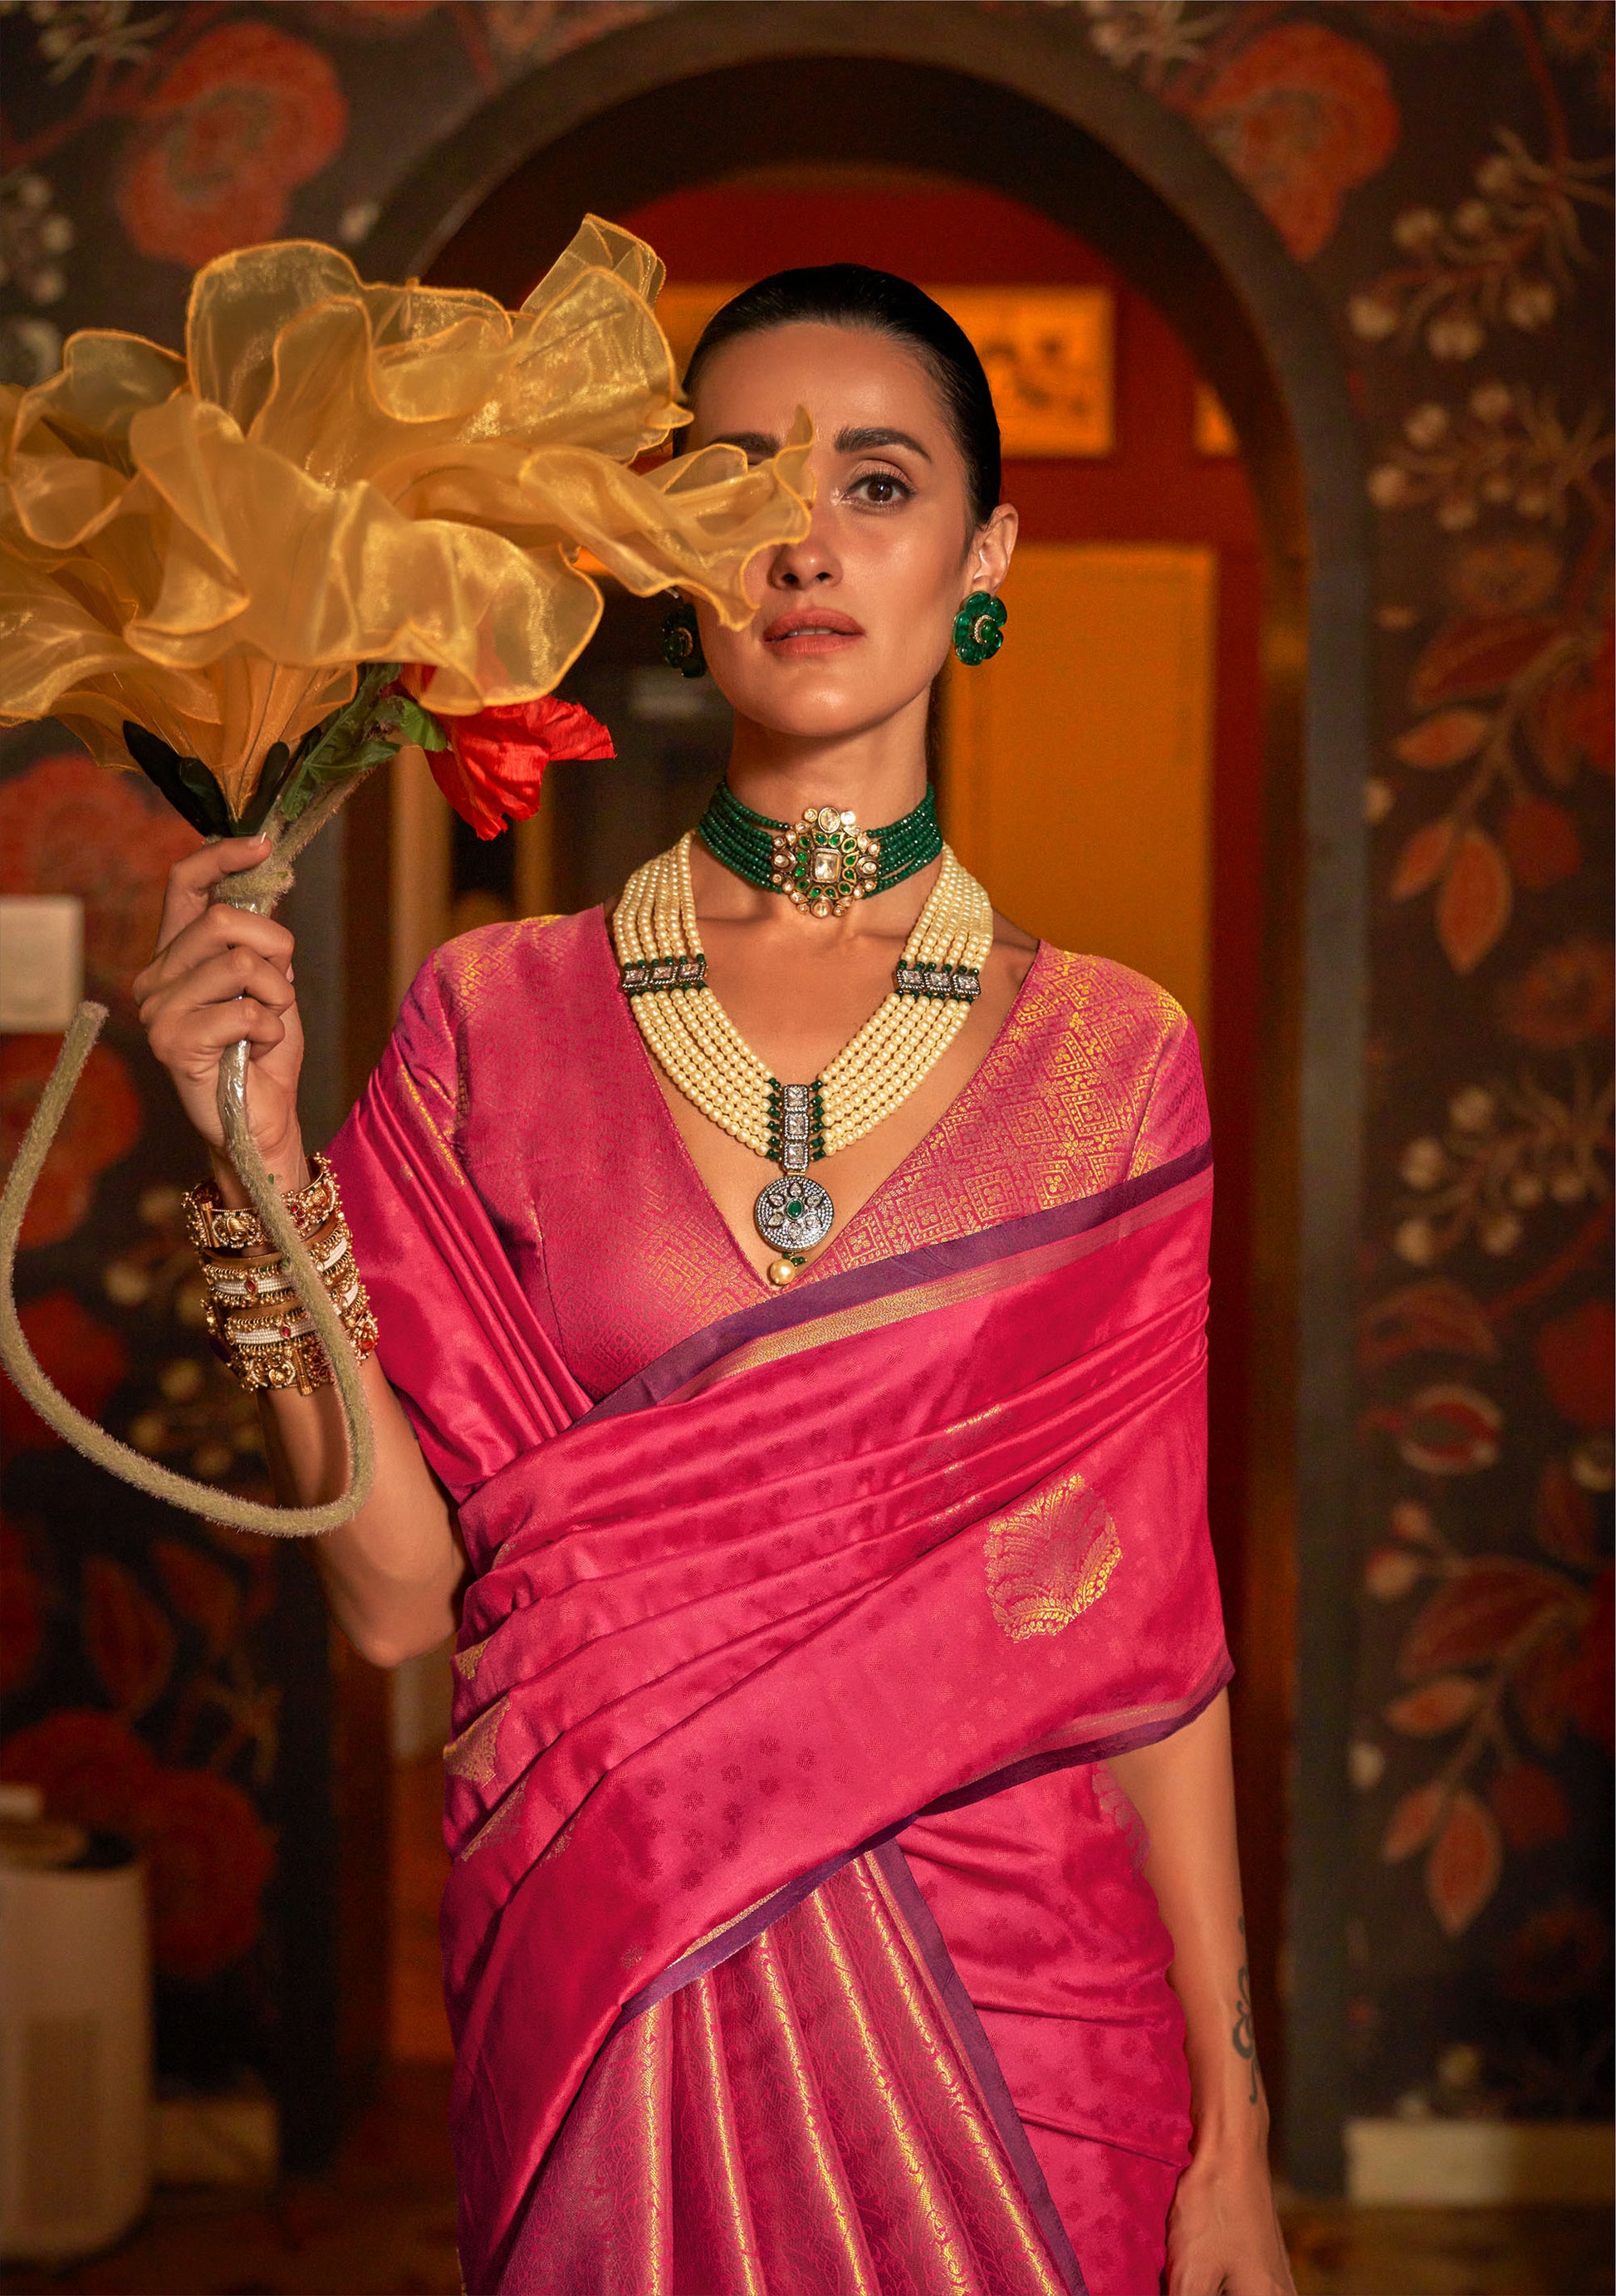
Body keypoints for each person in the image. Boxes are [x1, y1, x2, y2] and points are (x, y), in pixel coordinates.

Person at [135, 262, 1296, 2296]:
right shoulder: (495, 1019)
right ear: (666, 553)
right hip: (623, 1990)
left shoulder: (1112, 1061)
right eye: (740, 480)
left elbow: (1149, 1647)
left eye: (878, 483)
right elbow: (399, 1598)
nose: (804, 540)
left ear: (984, 555)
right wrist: (253, 1162)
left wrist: (1237, 2131)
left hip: (1028, 2017)